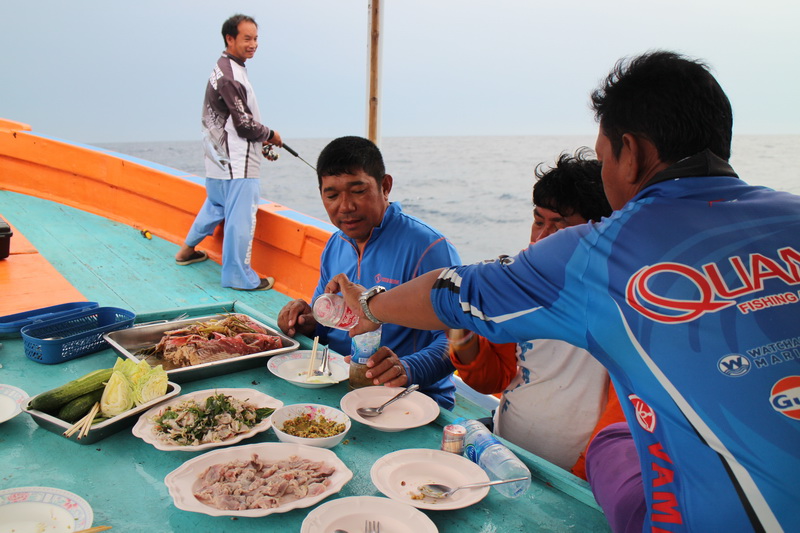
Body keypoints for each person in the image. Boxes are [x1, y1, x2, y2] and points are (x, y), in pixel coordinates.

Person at [329, 51, 800, 532]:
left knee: (614, 448)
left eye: (603, 159)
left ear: (630, 153)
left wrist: (369, 303)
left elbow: (450, 291)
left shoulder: (599, 252)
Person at [449, 148, 623, 478]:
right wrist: (461, 331)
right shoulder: (520, 286)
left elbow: (622, 417)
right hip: (500, 450)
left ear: (597, 230)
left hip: (573, 478)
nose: (541, 239)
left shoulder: (620, 305)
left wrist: (585, 475)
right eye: (538, 221)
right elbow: (493, 378)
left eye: (559, 227)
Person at [277, 136, 461, 409]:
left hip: (411, 398)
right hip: (338, 382)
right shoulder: (334, 245)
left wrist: (408, 368)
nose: (345, 206)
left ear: (385, 186)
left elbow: (460, 340)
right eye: (332, 195)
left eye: (358, 190)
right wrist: (307, 321)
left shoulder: (429, 248)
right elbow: (326, 323)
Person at [174, 13, 282, 291]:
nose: (253, 44)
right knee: (241, 216)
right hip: (238, 164)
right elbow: (244, 125)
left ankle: (186, 250)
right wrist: (270, 135)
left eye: (256, 38)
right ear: (229, 38)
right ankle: (239, 276)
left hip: (216, 161)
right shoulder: (231, 75)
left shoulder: (223, 68)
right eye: (247, 38)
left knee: (215, 206)